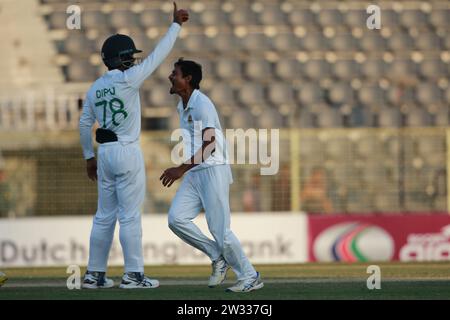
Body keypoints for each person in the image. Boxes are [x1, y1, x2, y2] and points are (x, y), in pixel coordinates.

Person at [79, 3, 188, 289]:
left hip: (104, 155)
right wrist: (175, 25)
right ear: (122, 59)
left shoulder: (94, 88)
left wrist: (89, 157)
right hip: (127, 151)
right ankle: (134, 275)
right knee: (129, 216)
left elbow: (83, 124)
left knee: (104, 216)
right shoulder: (129, 80)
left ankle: (94, 275)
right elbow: (158, 55)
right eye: (130, 56)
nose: (134, 61)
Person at [160, 58, 263, 292]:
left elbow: (210, 146)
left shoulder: (202, 104)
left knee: (220, 230)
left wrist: (180, 169)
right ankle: (217, 256)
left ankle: (249, 276)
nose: (170, 76)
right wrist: (186, 169)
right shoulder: (182, 105)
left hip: (213, 169)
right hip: (196, 172)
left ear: (187, 80)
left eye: (174, 73)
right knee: (176, 219)